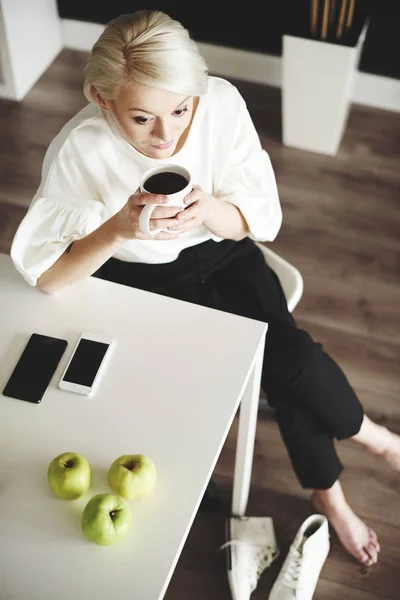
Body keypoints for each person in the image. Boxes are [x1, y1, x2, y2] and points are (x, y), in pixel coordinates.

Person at [10, 10, 400, 570]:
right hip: (140, 277)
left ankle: (344, 472)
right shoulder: (80, 150)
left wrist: (209, 210)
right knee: (271, 369)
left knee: (286, 360)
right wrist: (118, 227)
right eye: (141, 118)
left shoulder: (220, 104)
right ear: (102, 99)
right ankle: (361, 447)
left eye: (180, 110)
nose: (167, 136)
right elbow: (48, 276)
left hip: (223, 255)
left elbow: (255, 219)